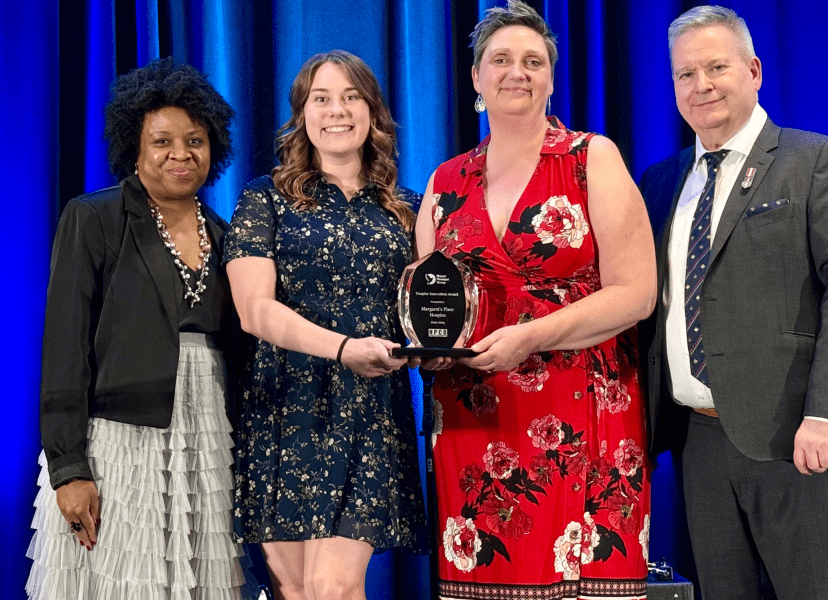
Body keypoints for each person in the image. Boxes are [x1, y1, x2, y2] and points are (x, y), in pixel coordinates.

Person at [640, 6, 828, 599]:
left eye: (716, 67)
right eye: (685, 74)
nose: (701, 86)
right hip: (701, 443)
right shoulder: (661, 180)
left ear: (753, 70)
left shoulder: (814, 160)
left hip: (802, 439)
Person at [415, 2, 657, 597]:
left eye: (533, 61)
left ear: (551, 77)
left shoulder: (589, 157)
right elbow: (428, 301)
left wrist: (532, 336)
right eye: (500, 60)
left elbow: (637, 293)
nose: (516, 72)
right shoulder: (446, 181)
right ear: (476, 77)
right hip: (475, 422)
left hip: (581, 415)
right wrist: (432, 353)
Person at [27, 58, 251, 599]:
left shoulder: (229, 236)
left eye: (195, 140)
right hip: (118, 446)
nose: (181, 154)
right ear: (135, 147)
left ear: (214, 148)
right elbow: (64, 346)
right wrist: (68, 468)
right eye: (162, 141)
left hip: (206, 442)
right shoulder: (93, 217)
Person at [223, 50, 429, 600]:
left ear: (373, 113)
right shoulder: (263, 198)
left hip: (366, 411)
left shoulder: (409, 209)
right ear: (303, 114)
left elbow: (433, 312)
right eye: (321, 98)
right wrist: (342, 348)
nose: (336, 111)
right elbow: (254, 311)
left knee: (332, 587)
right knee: (294, 591)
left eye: (350, 97)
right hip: (281, 410)